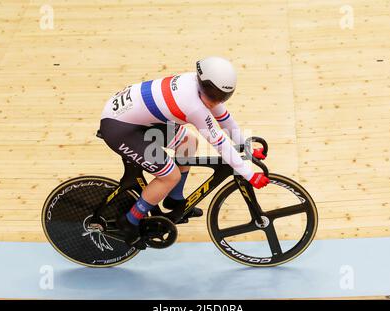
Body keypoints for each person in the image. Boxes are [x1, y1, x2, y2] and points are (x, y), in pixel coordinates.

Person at [99, 56, 270, 244]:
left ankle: (174, 199)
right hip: (120, 128)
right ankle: (129, 221)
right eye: (213, 96)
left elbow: (225, 120)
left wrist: (246, 148)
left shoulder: (204, 87)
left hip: (138, 118)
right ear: (203, 83)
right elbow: (218, 141)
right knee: (170, 176)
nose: (216, 102)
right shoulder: (194, 105)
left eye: (222, 97)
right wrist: (249, 174)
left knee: (188, 142)